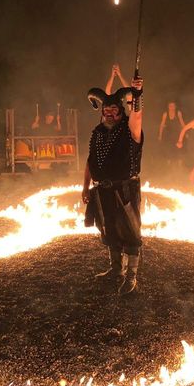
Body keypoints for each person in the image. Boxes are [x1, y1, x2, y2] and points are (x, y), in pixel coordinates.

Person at [82, 77, 144, 296]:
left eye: (114, 111)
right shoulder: (97, 133)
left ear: (121, 112)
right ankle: (116, 270)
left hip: (125, 190)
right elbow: (90, 161)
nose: (109, 114)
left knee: (130, 233)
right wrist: (85, 186)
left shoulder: (130, 132)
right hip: (102, 191)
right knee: (109, 230)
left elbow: (136, 117)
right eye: (106, 111)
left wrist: (137, 95)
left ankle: (131, 277)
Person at [158, 101, 185, 166]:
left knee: (179, 148)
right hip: (168, 134)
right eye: (170, 106)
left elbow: (182, 123)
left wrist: (185, 132)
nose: (171, 107)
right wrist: (160, 135)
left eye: (173, 106)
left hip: (177, 134)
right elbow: (162, 125)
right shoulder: (165, 114)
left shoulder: (178, 113)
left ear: (175, 107)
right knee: (168, 148)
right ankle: (168, 164)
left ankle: (179, 164)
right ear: (168, 107)